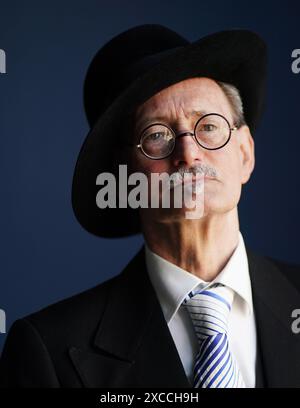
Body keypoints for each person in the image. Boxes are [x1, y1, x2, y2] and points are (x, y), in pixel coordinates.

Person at [1, 24, 300, 388]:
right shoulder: (49, 351)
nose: (188, 154)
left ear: (245, 153)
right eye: (157, 135)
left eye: (208, 126)